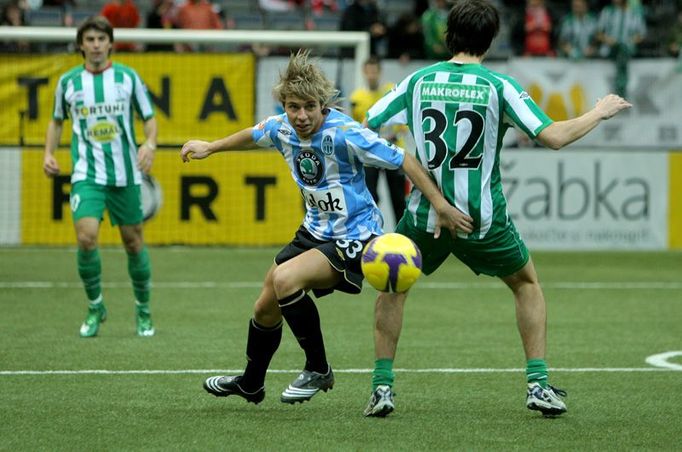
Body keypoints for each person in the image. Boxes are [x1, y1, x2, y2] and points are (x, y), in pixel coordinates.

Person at [362, 0, 631, 418]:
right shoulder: (498, 86)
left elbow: (373, 120)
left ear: (449, 35)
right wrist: (599, 111)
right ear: (490, 40)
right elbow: (554, 137)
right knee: (526, 284)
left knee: (393, 287)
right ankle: (538, 384)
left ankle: (382, 388)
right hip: (481, 220)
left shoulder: (417, 81)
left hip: (424, 216)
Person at [180, 50, 472, 406]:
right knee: (264, 308)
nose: (300, 116)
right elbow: (252, 133)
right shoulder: (281, 128)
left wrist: (440, 206)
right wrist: (210, 147)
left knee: (285, 280)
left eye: (308, 107)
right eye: (292, 107)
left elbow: (404, 159)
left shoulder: (348, 133)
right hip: (313, 231)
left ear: (323, 104)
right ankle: (251, 383)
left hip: (354, 237)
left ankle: (318, 368)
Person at [43, 16, 157, 338]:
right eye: (90, 39)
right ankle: (95, 306)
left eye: (101, 39)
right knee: (86, 237)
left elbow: (149, 119)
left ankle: (144, 311)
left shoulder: (127, 78)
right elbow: (56, 122)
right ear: (81, 45)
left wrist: (149, 144)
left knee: (133, 243)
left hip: (125, 174)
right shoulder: (67, 82)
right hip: (86, 173)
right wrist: (48, 153)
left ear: (110, 43)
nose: (95, 45)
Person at [350, 56, 406, 224]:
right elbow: (356, 126)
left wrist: (392, 136)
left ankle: (402, 236)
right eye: (369, 71)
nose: (372, 75)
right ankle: (372, 234)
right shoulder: (357, 97)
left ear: (380, 72)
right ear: (364, 72)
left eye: (374, 71)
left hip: (392, 150)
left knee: (398, 197)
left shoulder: (391, 92)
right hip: (370, 155)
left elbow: (403, 123)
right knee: (371, 197)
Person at [595, 0, 646, 97]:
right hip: (610, 47)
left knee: (623, 49)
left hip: (628, 48)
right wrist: (607, 39)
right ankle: (621, 88)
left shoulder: (635, 12)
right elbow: (598, 33)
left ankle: (620, 87)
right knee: (621, 49)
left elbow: (641, 34)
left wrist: (632, 40)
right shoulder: (607, 11)